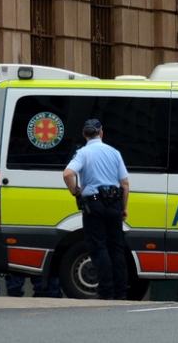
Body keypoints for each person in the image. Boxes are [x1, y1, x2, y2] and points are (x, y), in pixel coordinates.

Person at [63, 119, 130, 300]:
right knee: (116, 248)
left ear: (85, 135)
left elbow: (68, 174)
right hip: (114, 203)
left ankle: (106, 291)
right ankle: (121, 292)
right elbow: (124, 183)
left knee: (99, 248)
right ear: (101, 133)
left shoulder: (83, 153)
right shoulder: (114, 153)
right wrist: (123, 207)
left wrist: (76, 191)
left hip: (94, 205)